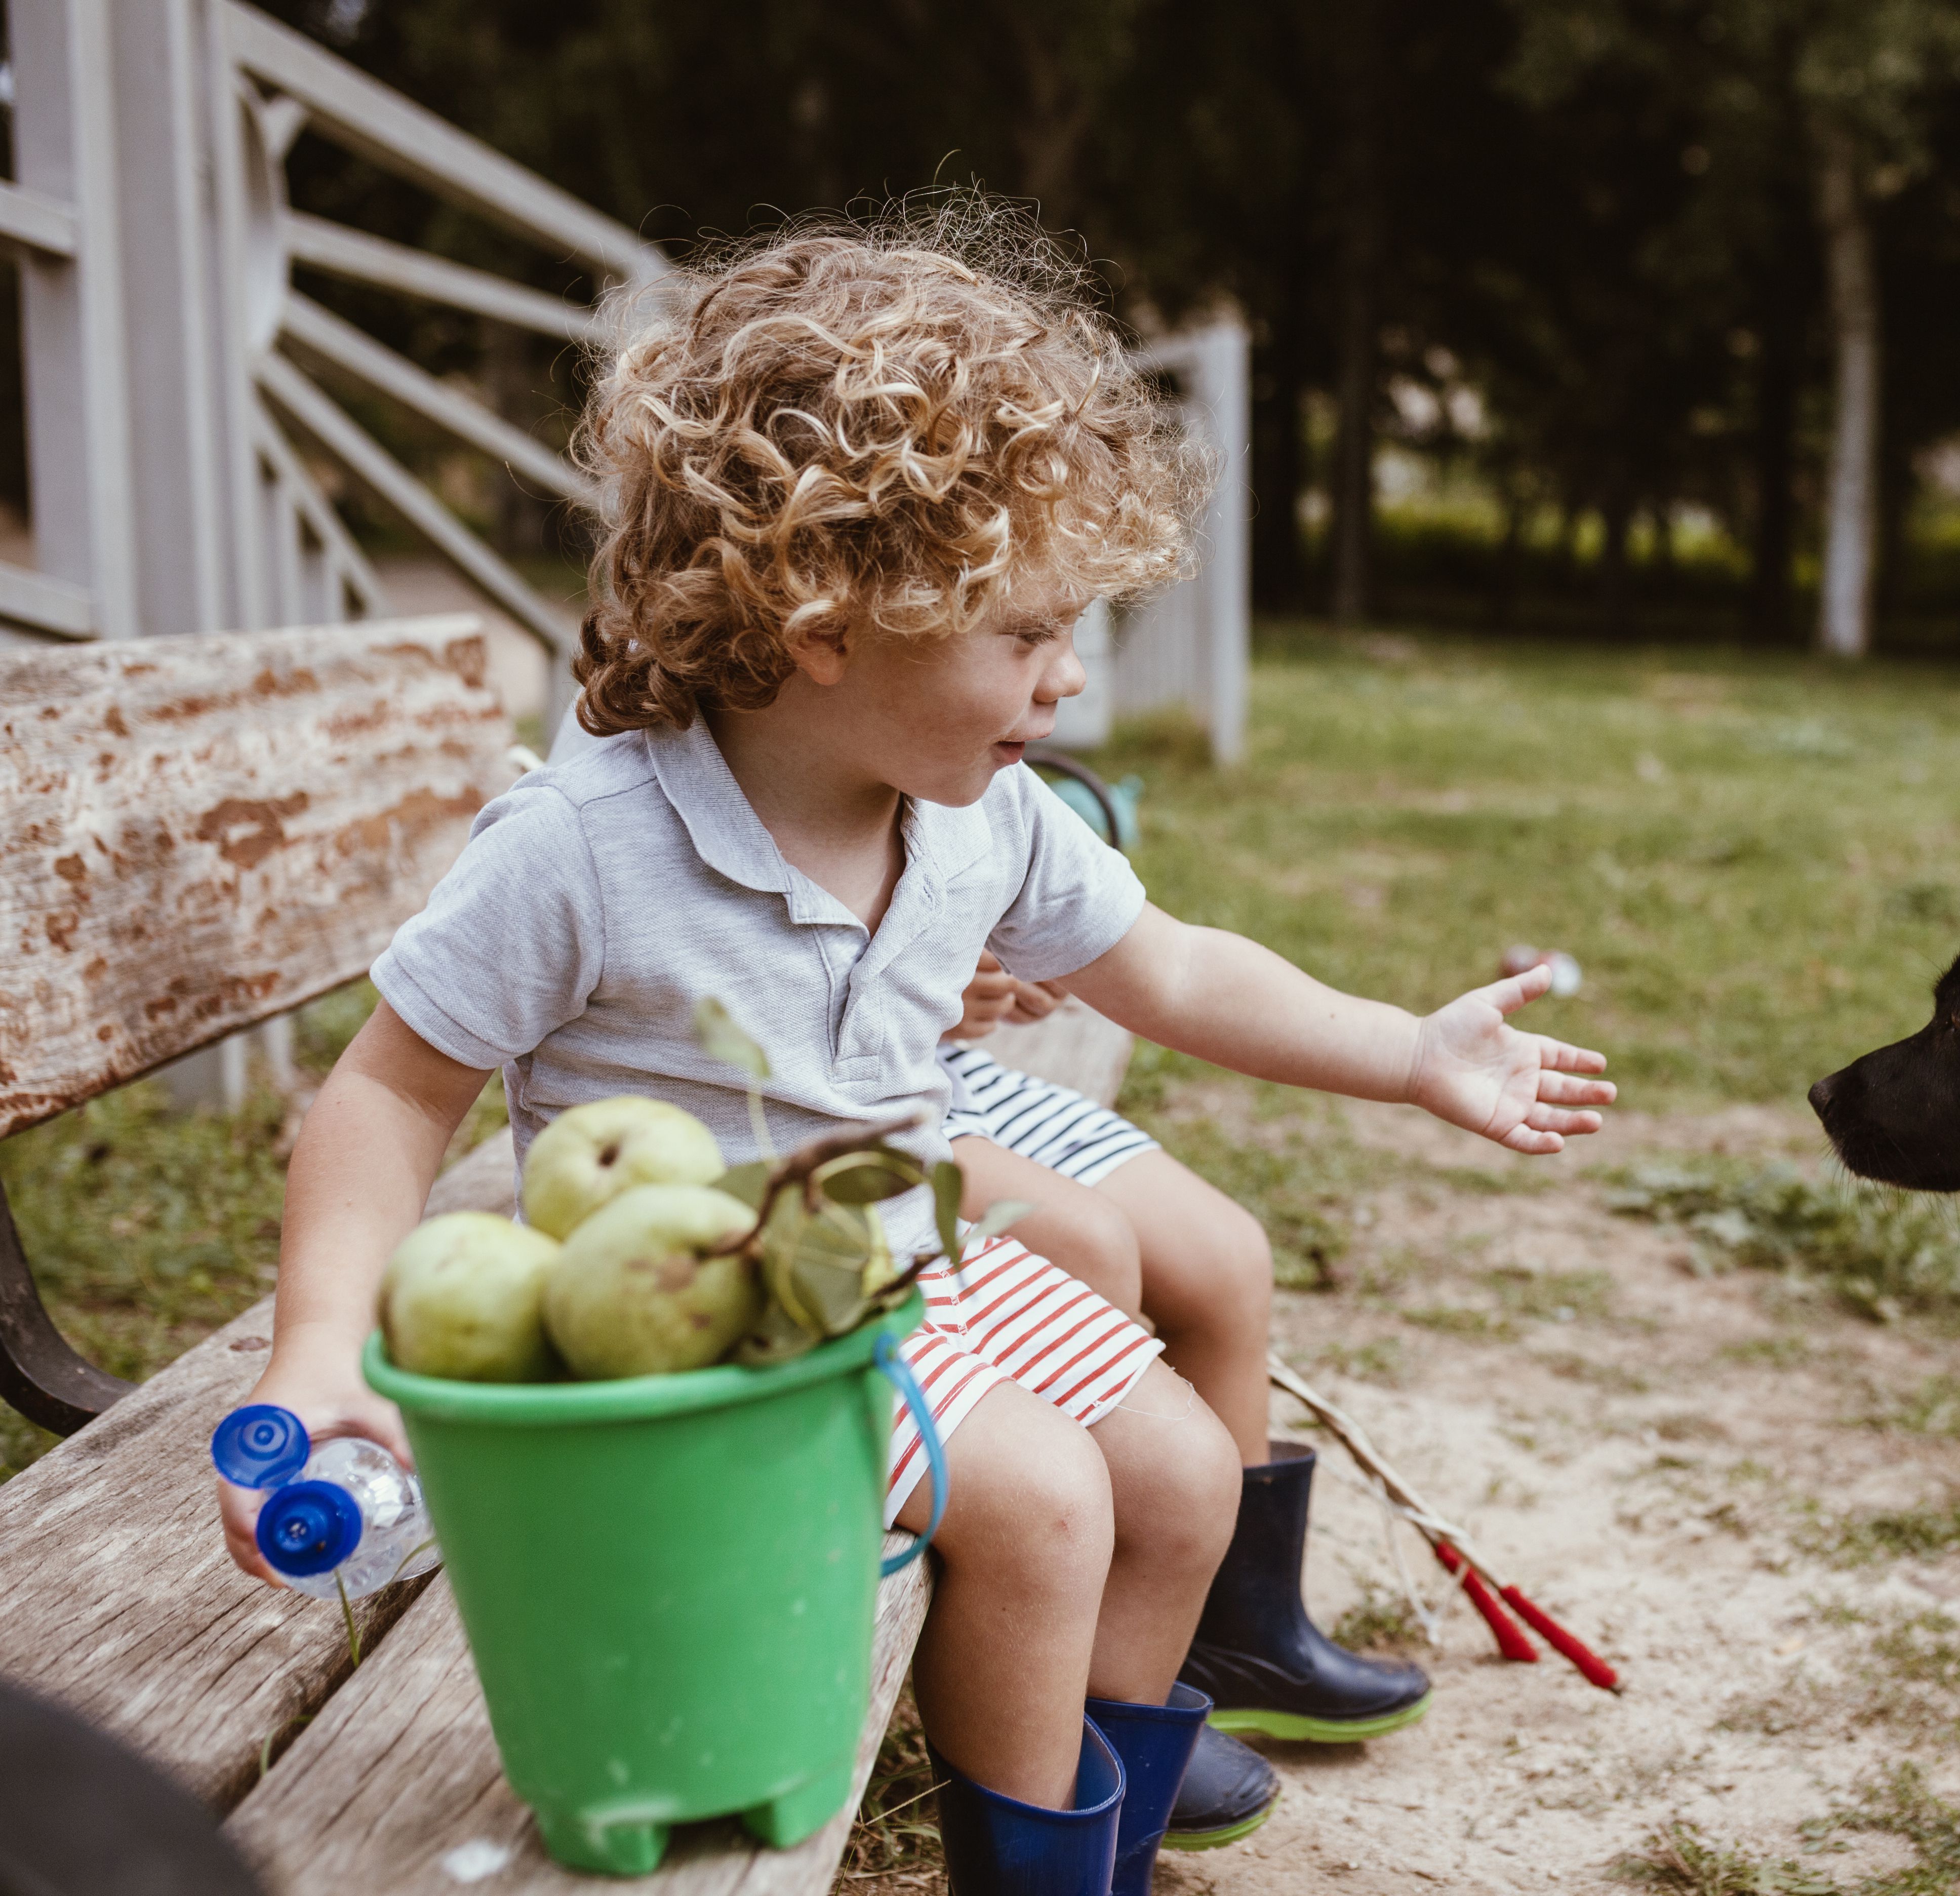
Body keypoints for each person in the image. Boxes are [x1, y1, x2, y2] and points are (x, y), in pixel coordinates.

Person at [214, 209, 1613, 1896]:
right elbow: (389, 1089)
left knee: (1177, 1477)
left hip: (897, 1265)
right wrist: (315, 1351)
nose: (1067, 678)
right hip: (719, 1328)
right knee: (1038, 1503)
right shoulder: (587, 843)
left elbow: (1166, 965)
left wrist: (1408, 1048)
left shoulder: (980, 819)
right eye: (1023, 634)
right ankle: (1025, 1864)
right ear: (823, 622)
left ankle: (1087, 1828)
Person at [943, 957, 1434, 1850]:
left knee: (1224, 1255)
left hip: (955, 1070)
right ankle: (1084, 1700)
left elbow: (1156, 956)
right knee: (1087, 1248)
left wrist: (1018, 960)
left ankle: (1234, 1639)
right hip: (867, 1098)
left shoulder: (976, 815)